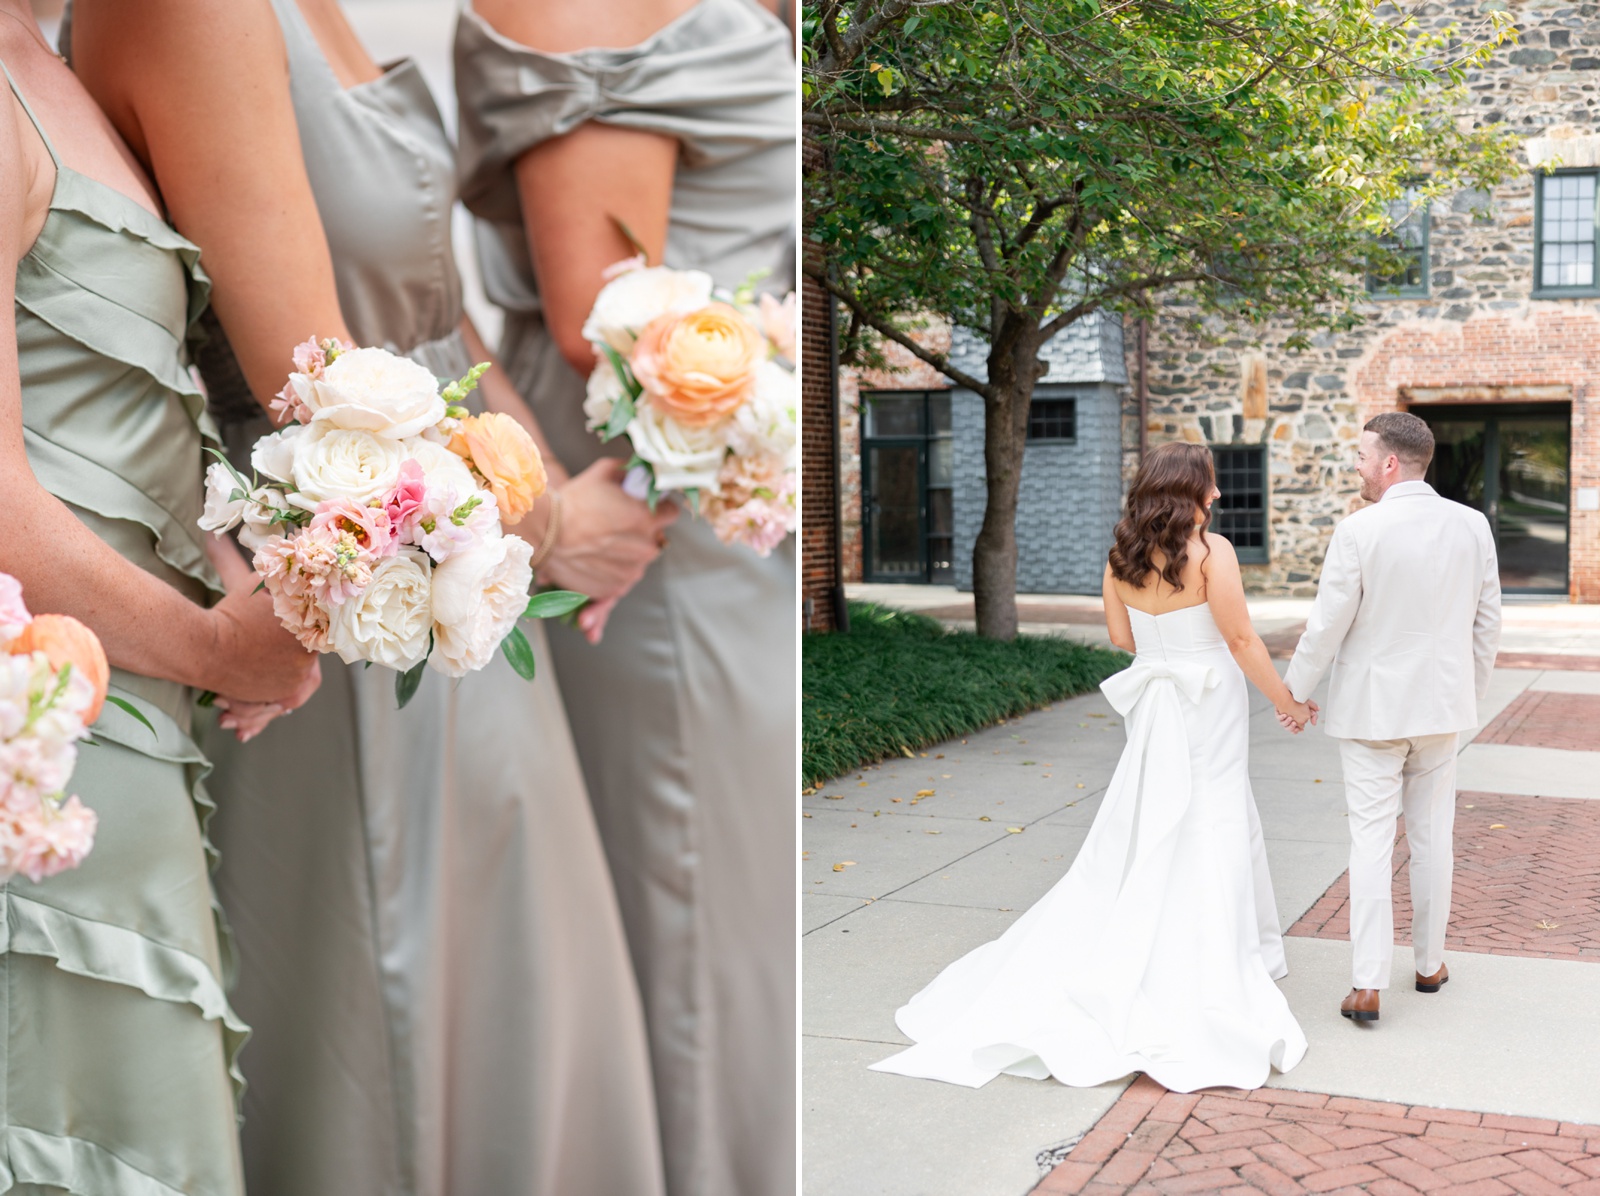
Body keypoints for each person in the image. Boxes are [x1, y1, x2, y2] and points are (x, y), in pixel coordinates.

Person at [65, 1, 673, 1191]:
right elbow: (319, 384)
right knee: (394, 1030)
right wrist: (545, 524)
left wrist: (552, 499)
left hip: (455, 564)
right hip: (351, 585)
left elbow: (433, 325)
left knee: (514, 990)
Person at [456, 3, 798, 1193]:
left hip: (726, 517)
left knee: (735, 915)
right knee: (699, 914)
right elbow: (606, 324)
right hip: (667, 525)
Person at [0, 4, 318, 1190]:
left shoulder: (49, 53)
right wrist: (214, 648)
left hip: (124, 732)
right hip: (53, 727)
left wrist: (232, 565)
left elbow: (106, 397)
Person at [871, 442, 1308, 1094]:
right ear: (1191, 490)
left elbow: (1122, 641)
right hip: (1208, 698)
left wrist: (1165, 638)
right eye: (1210, 485)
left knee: (1161, 812)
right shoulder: (1210, 553)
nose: (1216, 495)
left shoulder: (1120, 555)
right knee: (1212, 812)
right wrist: (1287, 702)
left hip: (1157, 698)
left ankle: (1208, 938)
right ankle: (1219, 956)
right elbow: (1242, 639)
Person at [1282, 411, 1501, 1023]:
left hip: (1372, 715)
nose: (1354, 465)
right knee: (1434, 840)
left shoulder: (1359, 531)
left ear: (1389, 463)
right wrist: (1466, 696)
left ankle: (1368, 983)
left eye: (1360, 455)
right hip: (1441, 711)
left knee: (1371, 842)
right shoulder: (1472, 525)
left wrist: (1292, 694)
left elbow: (1327, 625)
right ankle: (1429, 964)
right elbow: (1487, 624)